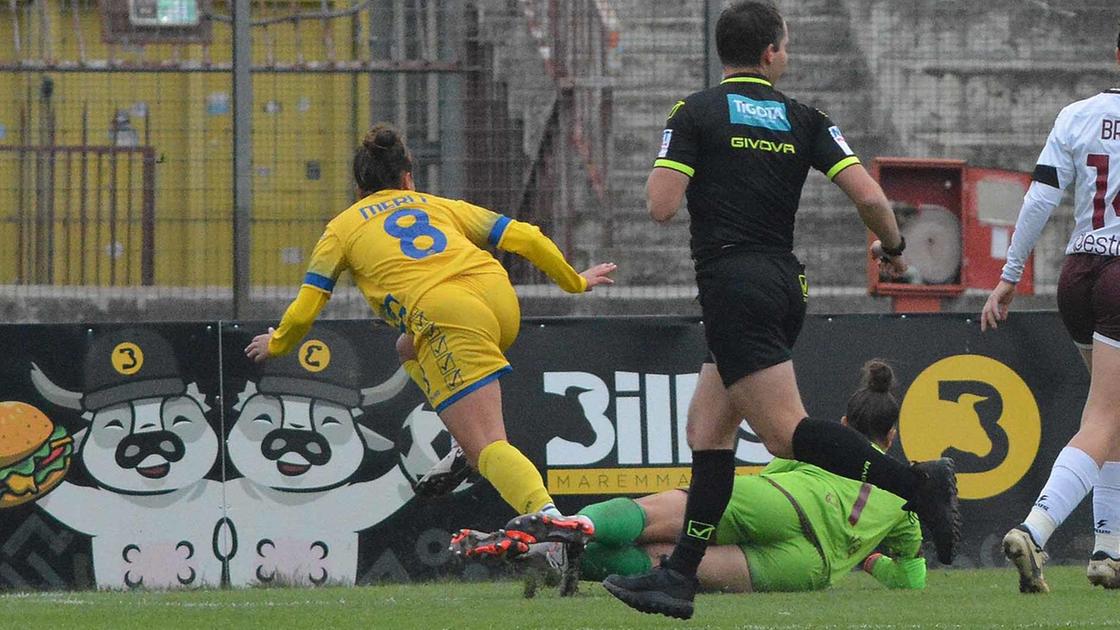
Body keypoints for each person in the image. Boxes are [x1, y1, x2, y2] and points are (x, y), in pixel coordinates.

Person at [600, 2, 959, 619]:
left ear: (725, 54)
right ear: (770, 54)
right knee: (706, 432)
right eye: (786, 47)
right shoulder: (805, 118)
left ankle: (917, 484)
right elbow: (873, 197)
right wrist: (895, 251)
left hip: (731, 285)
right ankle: (680, 576)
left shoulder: (696, 111)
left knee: (785, 434)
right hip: (781, 283)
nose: (786, 56)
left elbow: (661, 207)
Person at [245, 122, 616, 543]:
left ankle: (548, 517)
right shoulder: (437, 205)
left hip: (447, 314)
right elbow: (525, 237)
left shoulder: (342, 229)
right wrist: (574, 282)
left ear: (358, 189)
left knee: (489, 447)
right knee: (408, 346)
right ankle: (462, 445)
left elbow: (309, 303)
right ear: (407, 178)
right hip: (497, 299)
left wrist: (277, 343)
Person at [456, 360, 925, 596]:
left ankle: (573, 527)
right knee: (667, 564)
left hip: (785, 497)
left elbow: (778, 464)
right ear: (893, 435)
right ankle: (554, 559)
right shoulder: (904, 502)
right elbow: (910, 580)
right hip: (809, 565)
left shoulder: (825, 446)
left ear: (843, 424)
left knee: (659, 520)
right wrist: (866, 560)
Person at [981, 25, 1120, 594]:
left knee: (1112, 414)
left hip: (1079, 274)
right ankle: (1035, 530)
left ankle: (1108, 550)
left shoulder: (1077, 114)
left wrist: (1009, 276)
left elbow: (1040, 197)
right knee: (1104, 418)